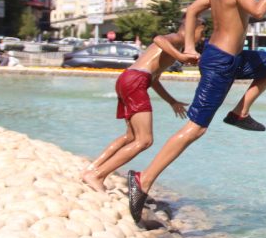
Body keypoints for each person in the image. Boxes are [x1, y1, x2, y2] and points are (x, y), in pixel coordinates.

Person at [126, 0, 266, 222]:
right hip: (219, 64)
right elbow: (257, 12)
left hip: (232, 58)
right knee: (195, 128)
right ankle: (143, 179)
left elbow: (191, 11)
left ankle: (241, 111)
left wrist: (191, 47)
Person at [81, 18, 206, 192]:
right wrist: (180, 56)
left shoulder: (174, 46)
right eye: (202, 33)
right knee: (144, 140)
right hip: (136, 82)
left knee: (131, 137)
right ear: (192, 29)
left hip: (129, 79)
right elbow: (158, 39)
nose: (202, 38)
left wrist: (172, 101)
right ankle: (97, 175)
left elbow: (153, 80)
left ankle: (93, 168)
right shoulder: (176, 39)